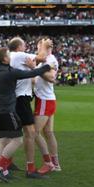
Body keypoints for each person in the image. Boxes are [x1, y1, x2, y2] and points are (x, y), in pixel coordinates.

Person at [0, 47, 52, 182]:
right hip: (7, 110)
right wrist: (46, 66)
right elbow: (32, 73)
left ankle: (3, 170)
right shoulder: (10, 72)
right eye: (8, 56)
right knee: (17, 139)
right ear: (5, 59)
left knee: (4, 140)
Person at [8, 36, 52, 176]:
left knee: (13, 134)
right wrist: (44, 45)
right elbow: (43, 57)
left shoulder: (11, 56)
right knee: (30, 133)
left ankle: (5, 163)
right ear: (18, 47)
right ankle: (30, 168)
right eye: (24, 45)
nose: (26, 47)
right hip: (21, 98)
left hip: (14, 98)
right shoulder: (20, 55)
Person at [33, 39, 61, 171]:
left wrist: (35, 71)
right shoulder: (44, 59)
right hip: (44, 98)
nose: (38, 48)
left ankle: (49, 163)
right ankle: (55, 164)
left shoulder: (50, 60)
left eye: (40, 45)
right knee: (48, 132)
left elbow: (51, 78)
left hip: (45, 99)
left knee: (34, 132)